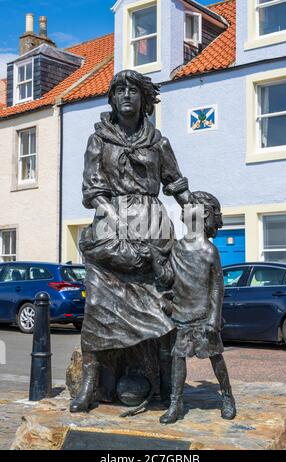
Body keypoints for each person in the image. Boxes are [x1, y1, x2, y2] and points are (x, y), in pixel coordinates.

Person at [70, 70, 192, 413]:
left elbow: (177, 185)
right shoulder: (99, 140)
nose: (126, 95)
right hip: (112, 224)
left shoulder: (158, 142)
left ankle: (170, 385)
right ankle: (91, 386)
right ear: (111, 98)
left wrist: (197, 224)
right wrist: (118, 223)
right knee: (96, 305)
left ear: (144, 99)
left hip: (152, 224)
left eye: (133, 90)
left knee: (164, 307)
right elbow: (93, 191)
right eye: (119, 90)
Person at [150, 191, 236, 424]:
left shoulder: (209, 251)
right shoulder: (177, 249)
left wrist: (214, 320)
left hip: (204, 316)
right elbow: (168, 279)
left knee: (216, 358)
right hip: (182, 316)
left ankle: (227, 396)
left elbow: (217, 288)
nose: (183, 210)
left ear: (202, 214)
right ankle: (176, 404)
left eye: (189, 207)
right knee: (178, 359)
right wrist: (156, 263)